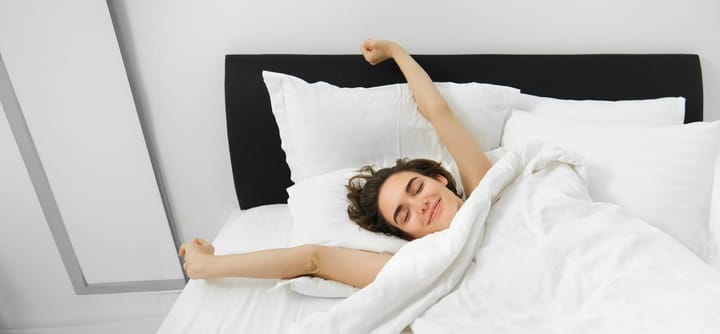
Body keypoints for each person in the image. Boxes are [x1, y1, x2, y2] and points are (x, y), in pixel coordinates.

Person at [178, 39, 491, 289]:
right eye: (403, 214)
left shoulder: (485, 185)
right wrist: (206, 266)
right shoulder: (419, 263)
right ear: (409, 237)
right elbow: (313, 259)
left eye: (417, 187)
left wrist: (396, 52)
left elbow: (437, 111)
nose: (419, 205)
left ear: (441, 177)